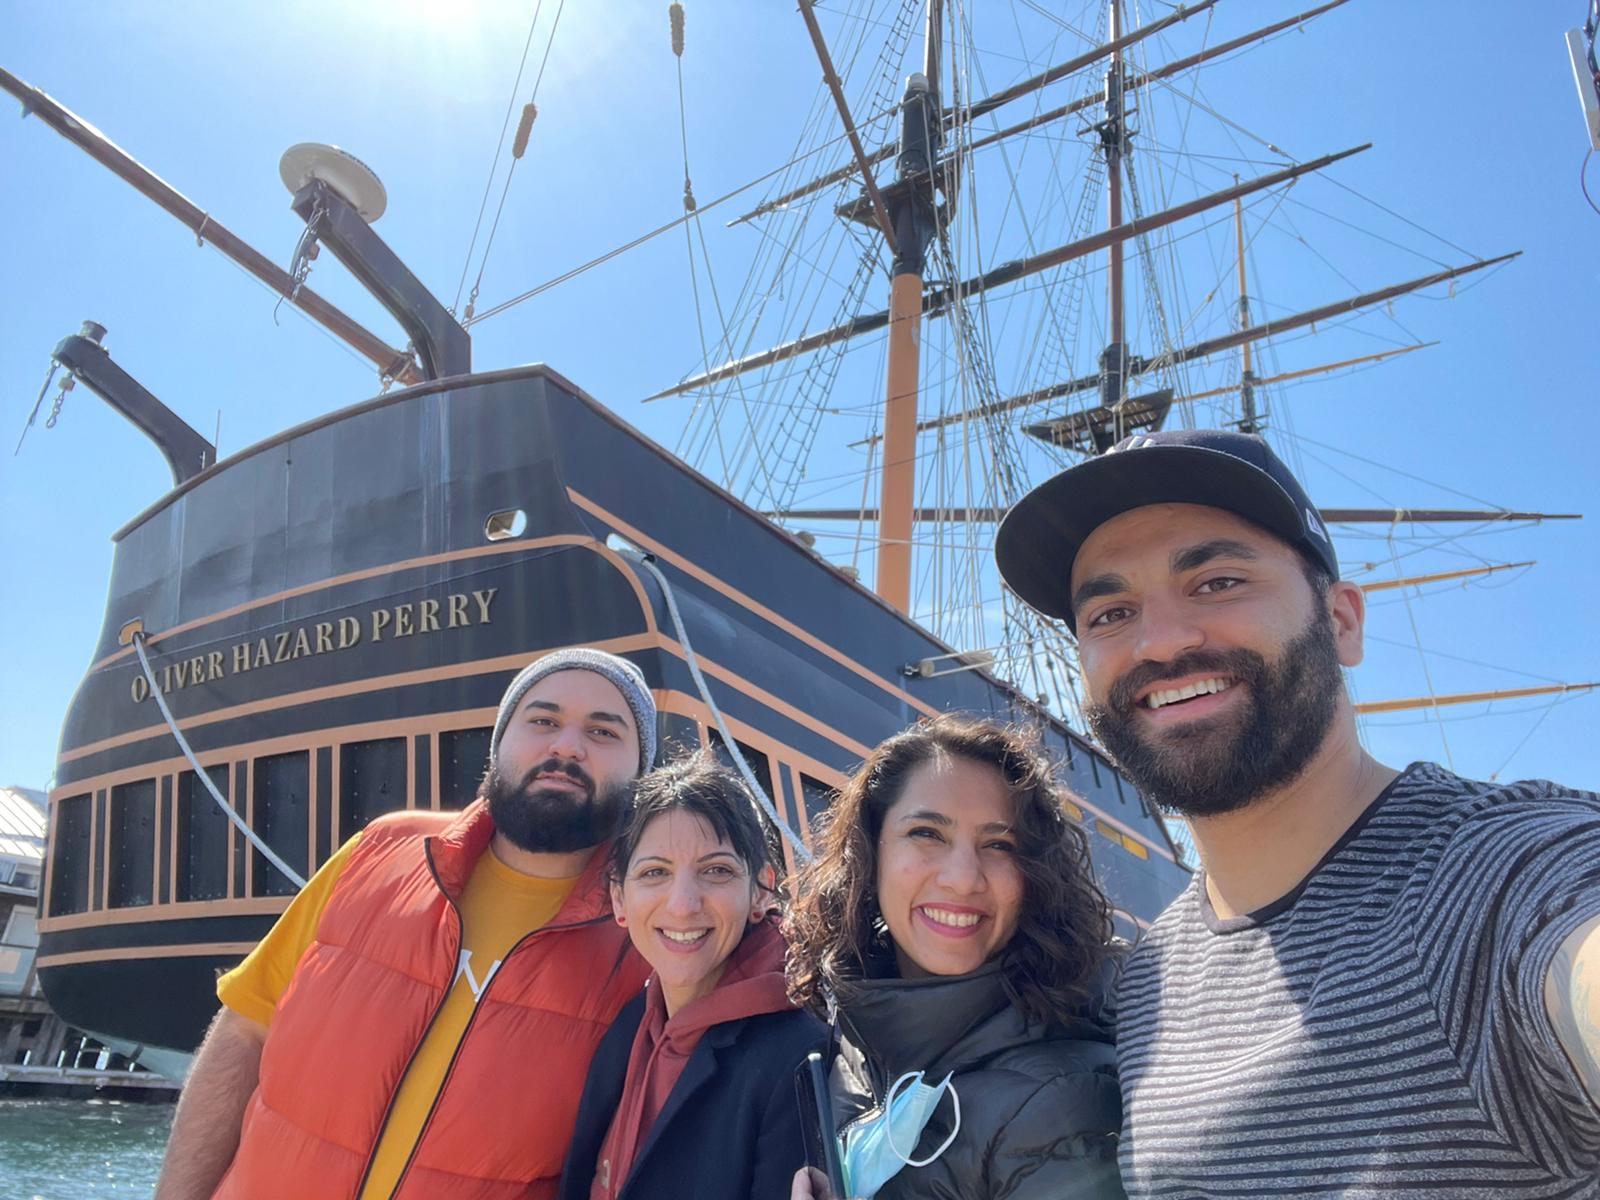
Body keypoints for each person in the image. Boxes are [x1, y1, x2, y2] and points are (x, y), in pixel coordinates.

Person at [995, 428, 1600, 1198]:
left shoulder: (1503, 875)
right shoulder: (1151, 976)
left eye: (1217, 581)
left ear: (1341, 621)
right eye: (1110, 613)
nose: (1160, 643)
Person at [153, 647, 659, 1200]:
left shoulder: (647, 942)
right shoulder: (378, 851)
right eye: (543, 720)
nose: (567, 746)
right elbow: (245, 1030)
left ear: (641, 773)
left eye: (604, 732)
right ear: (500, 741)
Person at [786, 714, 1126, 1200]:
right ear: (871, 853)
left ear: (1034, 877)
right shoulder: (860, 1053)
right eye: (927, 833)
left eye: (999, 845)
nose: (963, 878)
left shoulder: (1061, 1104)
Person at [560, 752, 826, 1200]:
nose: (683, 904)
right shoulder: (630, 1025)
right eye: (655, 872)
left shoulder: (800, 1059)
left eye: (716, 871)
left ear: (760, 891)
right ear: (619, 899)